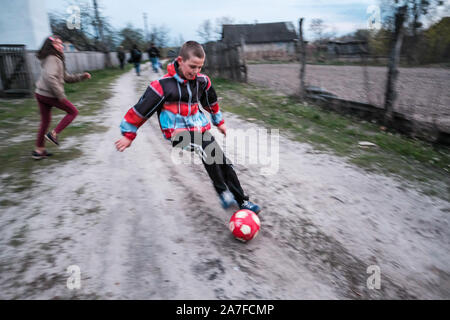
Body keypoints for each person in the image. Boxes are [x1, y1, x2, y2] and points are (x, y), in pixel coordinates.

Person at [115, 41, 261, 214]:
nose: (196, 71)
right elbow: (140, 110)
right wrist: (128, 134)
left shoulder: (202, 81)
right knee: (206, 147)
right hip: (177, 133)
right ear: (180, 60)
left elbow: (211, 103)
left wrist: (219, 122)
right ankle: (223, 191)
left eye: (200, 67)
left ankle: (242, 201)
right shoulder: (161, 86)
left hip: (198, 128)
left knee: (222, 160)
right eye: (192, 66)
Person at [33, 35, 91, 160]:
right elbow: (50, 77)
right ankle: (53, 134)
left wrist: (82, 76)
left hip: (40, 93)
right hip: (49, 95)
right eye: (57, 44)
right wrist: (60, 95)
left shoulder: (53, 58)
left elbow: (65, 78)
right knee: (73, 111)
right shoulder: (53, 58)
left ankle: (39, 150)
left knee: (45, 121)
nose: (61, 46)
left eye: (61, 44)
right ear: (51, 46)